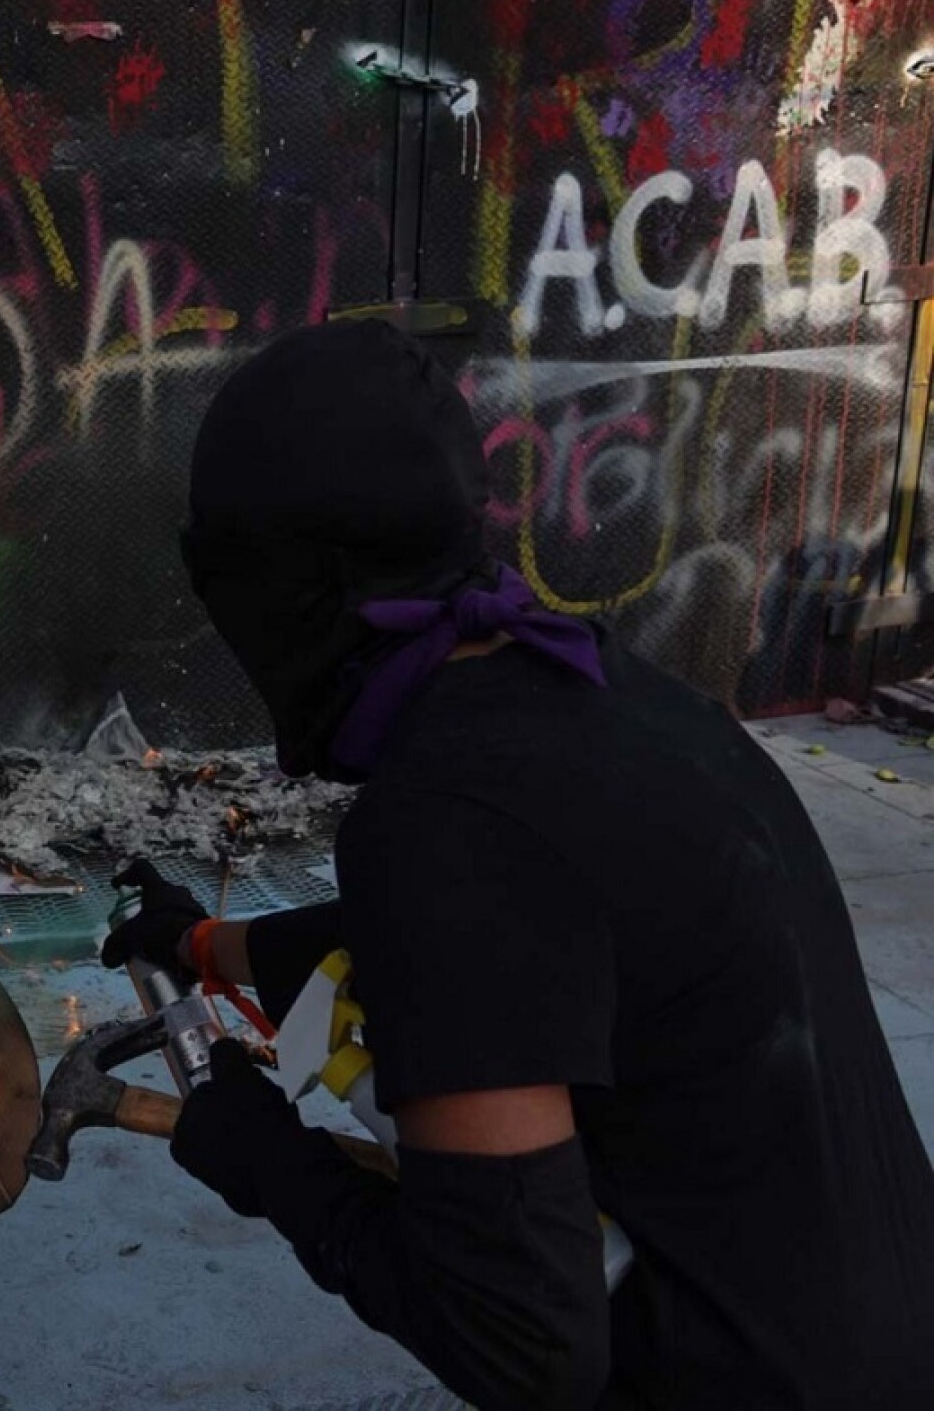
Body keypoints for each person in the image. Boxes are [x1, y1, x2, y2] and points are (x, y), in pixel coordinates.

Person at [101, 320, 934, 1407]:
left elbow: (519, 1341)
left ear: (293, 588)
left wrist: (263, 1154)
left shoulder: (450, 817)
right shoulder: (597, 692)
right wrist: (205, 946)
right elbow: (485, 955)